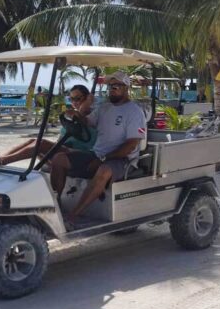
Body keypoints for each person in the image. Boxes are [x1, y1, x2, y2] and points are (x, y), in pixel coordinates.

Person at [50, 71, 147, 225]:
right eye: (110, 86)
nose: (112, 89)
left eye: (116, 85)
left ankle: (74, 216)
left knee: (103, 171)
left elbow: (131, 145)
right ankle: (55, 206)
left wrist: (104, 159)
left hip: (121, 160)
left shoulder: (134, 112)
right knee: (58, 159)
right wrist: (75, 114)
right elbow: (87, 121)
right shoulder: (104, 108)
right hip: (97, 154)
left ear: (126, 87)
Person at [0, 85, 96, 166]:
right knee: (33, 140)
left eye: (78, 98)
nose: (74, 101)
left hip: (80, 153)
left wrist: (85, 105)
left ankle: (3, 160)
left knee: (42, 143)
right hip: (65, 148)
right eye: (71, 98)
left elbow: (84, 120)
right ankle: (0, 157)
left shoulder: (92, 115)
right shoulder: (73, 115)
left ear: (86, 98)